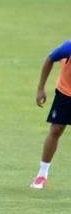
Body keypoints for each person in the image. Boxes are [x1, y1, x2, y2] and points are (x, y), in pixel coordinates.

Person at [30, 40, 71, 189]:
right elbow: (50, 58)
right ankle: (42, 174)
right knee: (56, 130)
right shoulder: (69, 46)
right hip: (66, 93)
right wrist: (40, 88)